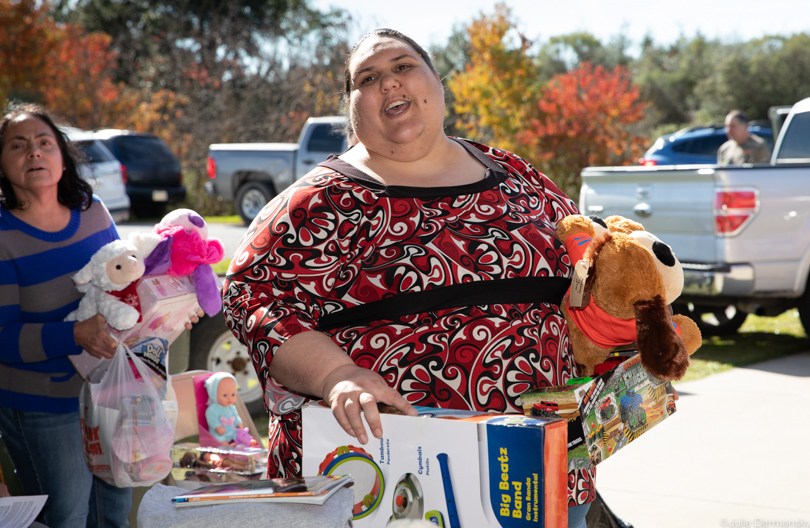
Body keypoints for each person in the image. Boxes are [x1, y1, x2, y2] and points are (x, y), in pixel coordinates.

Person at [222, 29, 593, 527]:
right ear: (352, 109)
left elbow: (587, 263)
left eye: (403, 66)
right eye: (368, 78)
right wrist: (337, 377)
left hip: (538, 475)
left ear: (436, 81)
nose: (389, 83)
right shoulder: (316, 202)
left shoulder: (515, 173)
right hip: (389, 484)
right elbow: (253, 299)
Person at [0, 102, 200, 528]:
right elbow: (3, 338)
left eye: (44, 143)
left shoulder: (92, 211)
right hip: (42, 402)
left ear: (62, 154)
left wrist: (171, 312)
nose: (34, 152)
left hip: (111, 392)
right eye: (18, 145)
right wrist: (74, 335)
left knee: (112, 510)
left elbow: (123, 282)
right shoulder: (3, 235)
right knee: (68, 516)